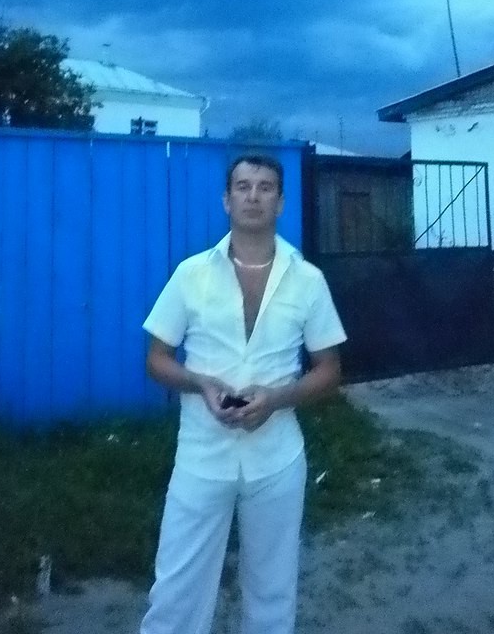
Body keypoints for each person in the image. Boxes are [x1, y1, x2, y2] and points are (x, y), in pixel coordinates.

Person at [139, 153, 346, 634]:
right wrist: (201, 383)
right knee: (176, 591)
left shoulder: (308, 280)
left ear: (281, 202)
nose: (254, 196)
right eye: (243, 186)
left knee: (272, 592)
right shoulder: (191, 274)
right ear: (226, 200)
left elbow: (330, 370)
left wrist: (276, 399)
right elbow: (156, 359)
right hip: (201, 455)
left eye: (265, 187)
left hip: (277, 459)